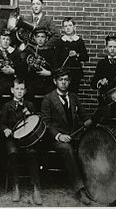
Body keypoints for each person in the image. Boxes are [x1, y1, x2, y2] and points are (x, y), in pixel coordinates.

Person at [41, 68, 93, 205]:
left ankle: (93, 183)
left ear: (69, 82)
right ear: (55, 81)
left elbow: (84, 114)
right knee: (67, 149)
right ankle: (80, 190)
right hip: (57, 139)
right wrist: (59, 135)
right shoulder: (48, 99)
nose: (63, 83)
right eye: (60, 80)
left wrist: (87, 119)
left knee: (89, 146)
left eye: (66, 80)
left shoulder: (74, 97)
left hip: (75, 135)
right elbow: (46, 123)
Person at [0, 78, 42, 204]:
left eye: (22, 89)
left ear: (25, 91)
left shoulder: (30, 105)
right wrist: (6, 129)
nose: (19, 91)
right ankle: (16, 186)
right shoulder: (7, 106)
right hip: (12, 139)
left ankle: (36, 188)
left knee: (33, 153)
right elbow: (1, 123)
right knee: (13, 153)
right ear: (12, 90)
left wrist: (30, 114)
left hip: (27, 140)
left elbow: (35, 122)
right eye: (17, 89)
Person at [20, 27, 54, 108]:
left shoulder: (51, 51)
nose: (40, 39)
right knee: (28, 92)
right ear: (34, 38)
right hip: (32, 80)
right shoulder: (29, 50)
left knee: (52, 94)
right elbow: (22, 67)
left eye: (42, 37)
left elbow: (56, 67)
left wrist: (49, 73)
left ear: (46, 39)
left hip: (46, 81)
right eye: (38, 37)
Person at [53, 17, 89, 93]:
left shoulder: (79, 41)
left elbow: (85, 57)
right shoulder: (60, 41)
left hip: (75, 73)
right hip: (63, 74)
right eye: (65, 26)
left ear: (74, 27)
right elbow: (55, 58)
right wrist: (58, 72)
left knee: (73, 94)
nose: (68, 28)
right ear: (63, 28)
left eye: (70, 25)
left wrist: (77, 54)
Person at [0, 29, 24, 97]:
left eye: (8, 39)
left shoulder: (15, 53)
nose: (5, 41)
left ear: (10, 41)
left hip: (12, 80)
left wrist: (13, 71)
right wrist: (0, 70)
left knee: (20, 91)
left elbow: (21, 69)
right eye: (3, 39)